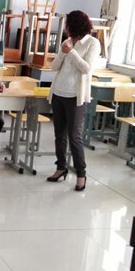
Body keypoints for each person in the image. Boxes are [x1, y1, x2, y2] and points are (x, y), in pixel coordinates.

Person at [46, 10, 100, 191]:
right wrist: (63, 52)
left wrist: (71, 53)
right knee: (59, 135)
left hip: (75, 97)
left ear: (76, 25)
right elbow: (54, 67)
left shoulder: (92, 43)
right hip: (58, 93)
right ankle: (61, 167)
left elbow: (87, 68)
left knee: (74, 137)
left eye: (68, 25)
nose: (66, 28)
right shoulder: (67, 42)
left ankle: (81, 174)